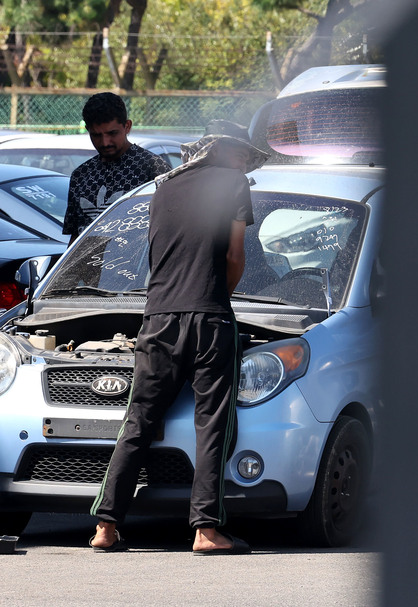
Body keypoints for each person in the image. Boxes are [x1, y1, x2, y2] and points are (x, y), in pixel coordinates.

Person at [88, 129, 269, 555]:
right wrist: (216, 298)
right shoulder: (232, 183)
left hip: (157, 318)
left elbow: (159, 256)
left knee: (138, 421)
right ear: (224, 153)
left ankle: (105, 526)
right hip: (209, 318)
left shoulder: (162, 188)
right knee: (213, 424)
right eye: (242, 156)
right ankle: (206, 530)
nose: (245, 165)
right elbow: (235, 255)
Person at [65, 92, 171, 242]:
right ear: (88, 130)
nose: (105, 142)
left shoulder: (153, 167)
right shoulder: (81, 175)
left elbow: (169, 227)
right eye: (96, 135)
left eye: (112, 133)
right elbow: (75, 237)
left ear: (127, 126)